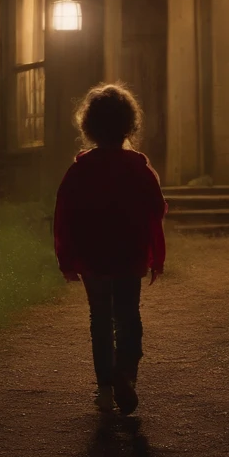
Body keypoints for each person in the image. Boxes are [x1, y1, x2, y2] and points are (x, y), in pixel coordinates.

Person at [54, 84, 167, 415]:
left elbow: (65, 213)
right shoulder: (139, 167)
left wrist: (67, 256)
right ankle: (126, 375)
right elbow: (155, 209)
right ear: (129, 125)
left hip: (92, 254)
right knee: (128, 315)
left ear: (88, 126)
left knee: (100, 318)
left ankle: (105, 388)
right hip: (129, 252)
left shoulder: (79, 169)